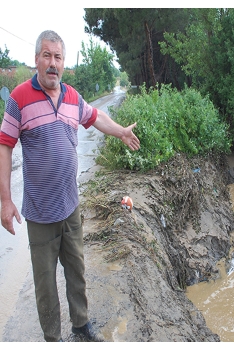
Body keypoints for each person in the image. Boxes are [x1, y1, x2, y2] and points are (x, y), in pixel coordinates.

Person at [0, 30, 140, 342]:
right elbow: (5, 146)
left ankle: (81, 325)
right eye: (46, 55)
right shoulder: (18, 99)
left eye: (58, 57)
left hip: (70, 207)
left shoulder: (72, 96)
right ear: (36, 59)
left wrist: (119, 132)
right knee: (45, 283)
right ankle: (52, 338)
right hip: (39, 213)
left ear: (63, 63)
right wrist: (5, 201)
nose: (52, 63)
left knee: (76, 271)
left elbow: (95, 117)